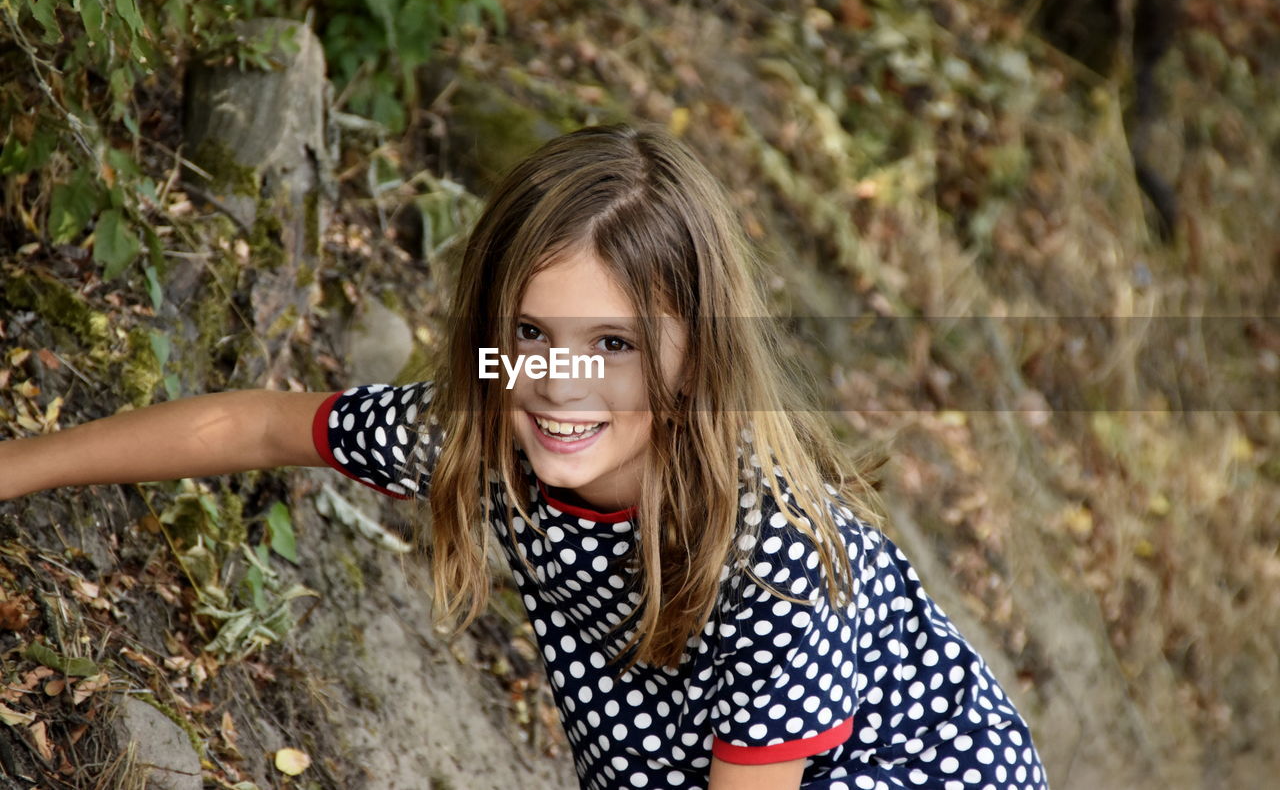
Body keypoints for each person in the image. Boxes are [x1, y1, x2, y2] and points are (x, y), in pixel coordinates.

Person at [0, 124, 1048, 790]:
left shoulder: (771, 563)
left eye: (615, 344)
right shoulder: (490, 426)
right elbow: (261, 427)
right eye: (531, 332)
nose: (561, 381)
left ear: (697, 354)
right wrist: (14, 466)